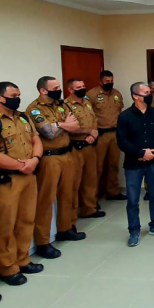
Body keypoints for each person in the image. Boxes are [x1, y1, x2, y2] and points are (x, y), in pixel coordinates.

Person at [0, 82, 44, 286]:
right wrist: (22, 165)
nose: (18, 98)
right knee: (5, 225)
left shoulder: (23, 117)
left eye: (19, 94)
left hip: (28, 176)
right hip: (6, 180)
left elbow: (36, 140)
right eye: (14, 95)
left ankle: (23, 259)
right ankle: (7, 268)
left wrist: (35, 160)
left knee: (26, 220)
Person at [27, 76, 84, 259]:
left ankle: (65, 228)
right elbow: (48, 133)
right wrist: (63, 124)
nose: (59, 90)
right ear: (43, 90)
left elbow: (75, 126)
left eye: (59, 86)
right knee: (46, 199)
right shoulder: (35, 109)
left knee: (69, 193)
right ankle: (43, 242)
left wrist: (59, 125)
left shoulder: (60, 105)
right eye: (55, 87)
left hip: (67, 154)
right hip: (49, 158)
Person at [117, 82, 154, 246]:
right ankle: (134, 230)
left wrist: (152, 153)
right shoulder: (125, 116)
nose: (150, 95)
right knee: (133, 199)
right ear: (135, 96)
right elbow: (122, 141)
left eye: (150, 92)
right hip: (134, 164)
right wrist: (141, 153)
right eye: (146, 93)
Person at [65, 79, 104, 220]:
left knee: (91, 178)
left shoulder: (87, 103)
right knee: (75, 181)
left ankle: (89, 208)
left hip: (90, 145)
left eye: (83, 86)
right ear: (70, 90)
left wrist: (94, 134)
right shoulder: (66, 106)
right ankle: (74, 213)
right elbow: (68, 127)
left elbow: (94, 121)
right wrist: (88, 132)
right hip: (76, 147)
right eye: (78, 87)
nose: (82, 88)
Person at [88, 71, 126, 201]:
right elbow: (88, 115)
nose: (109, 83)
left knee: (114, 165)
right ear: (100, 81)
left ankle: (113, 192)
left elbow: (119, 110)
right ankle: (93, 197)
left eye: (111, 81)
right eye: (107, 81)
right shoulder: (92, 94)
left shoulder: (116, 94)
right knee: (97, 167)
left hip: (115, 134)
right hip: (101, 135)